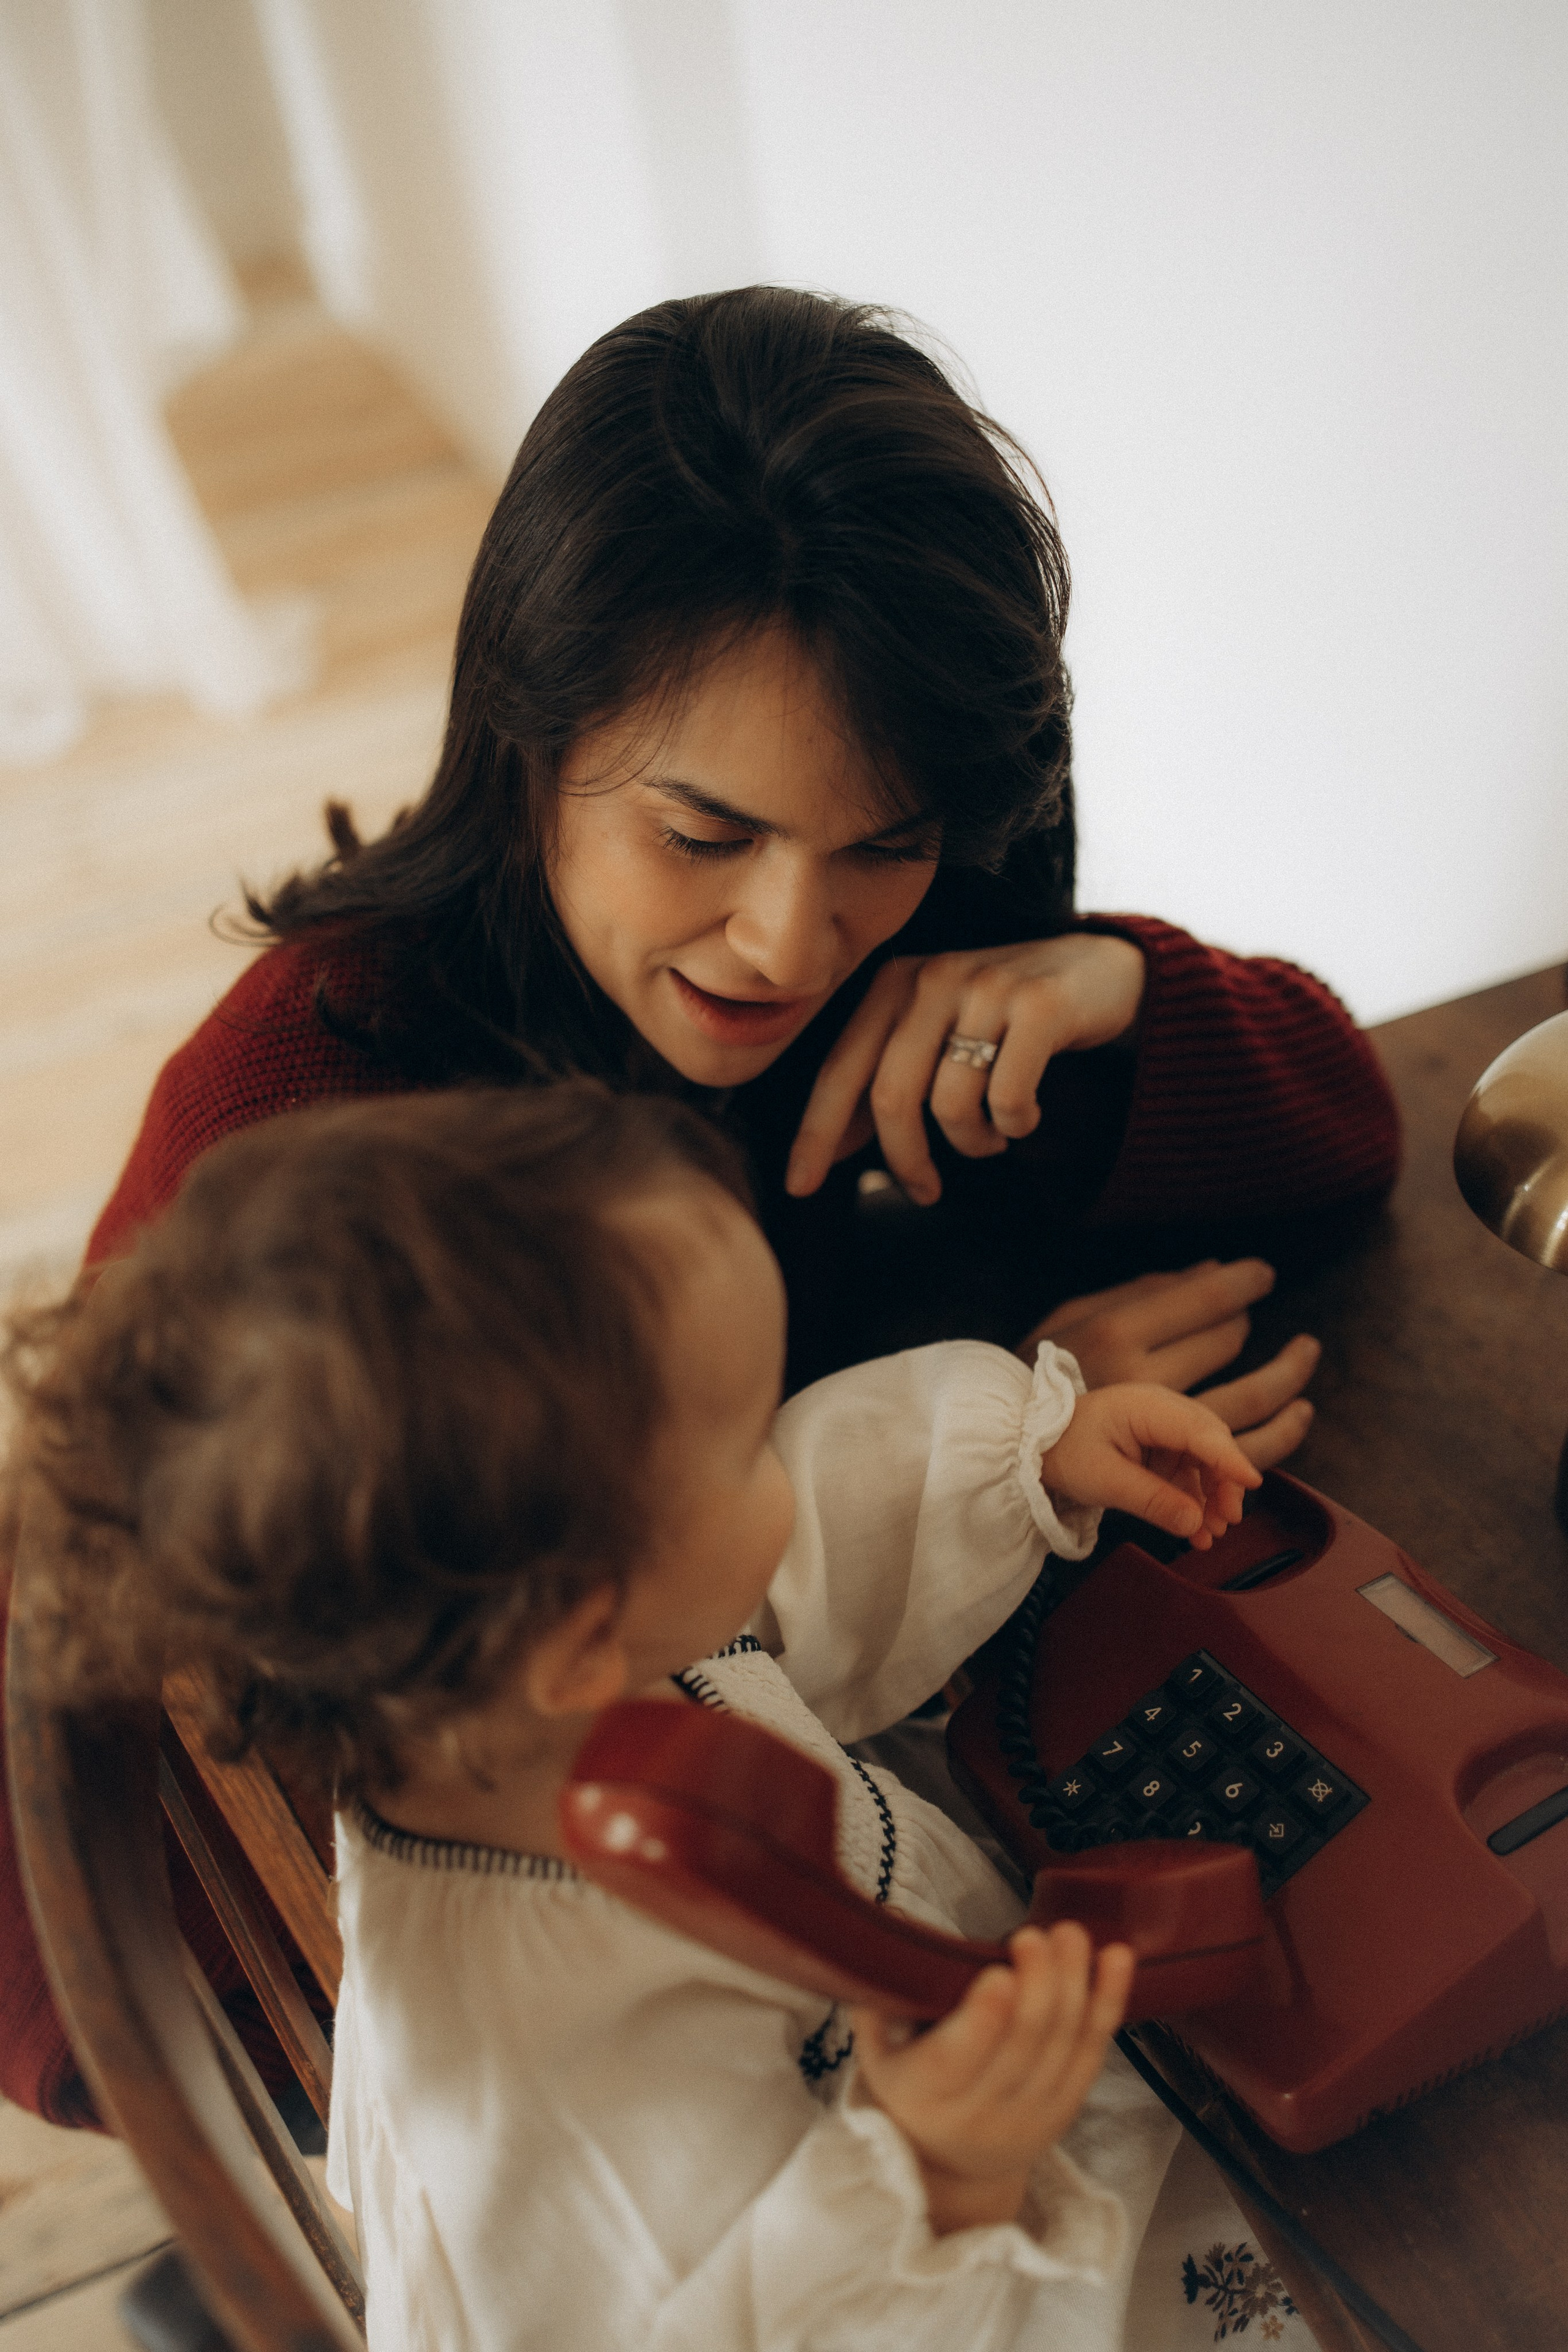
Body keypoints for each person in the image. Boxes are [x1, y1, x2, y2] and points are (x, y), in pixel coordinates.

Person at [1, 284, 1397, 2126]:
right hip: (510, 2030)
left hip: (863, 1757)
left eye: (883, 845)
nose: (792, 938)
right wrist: (999, 1391)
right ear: (527, 737)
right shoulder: (315, 1150)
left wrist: (1110, 989)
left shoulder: (938, 938)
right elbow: (146, 1837)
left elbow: (1356, 1127)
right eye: (702, 835)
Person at [8, 1085, 1311, 2350]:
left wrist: (1024, 1458)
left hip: (983, 2039)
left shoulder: (512, 1687)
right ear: (580, 1627)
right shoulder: (535, 2089)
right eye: (746, 1439)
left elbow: (750, 1604)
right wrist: (929, 2179)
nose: (780, 1457)